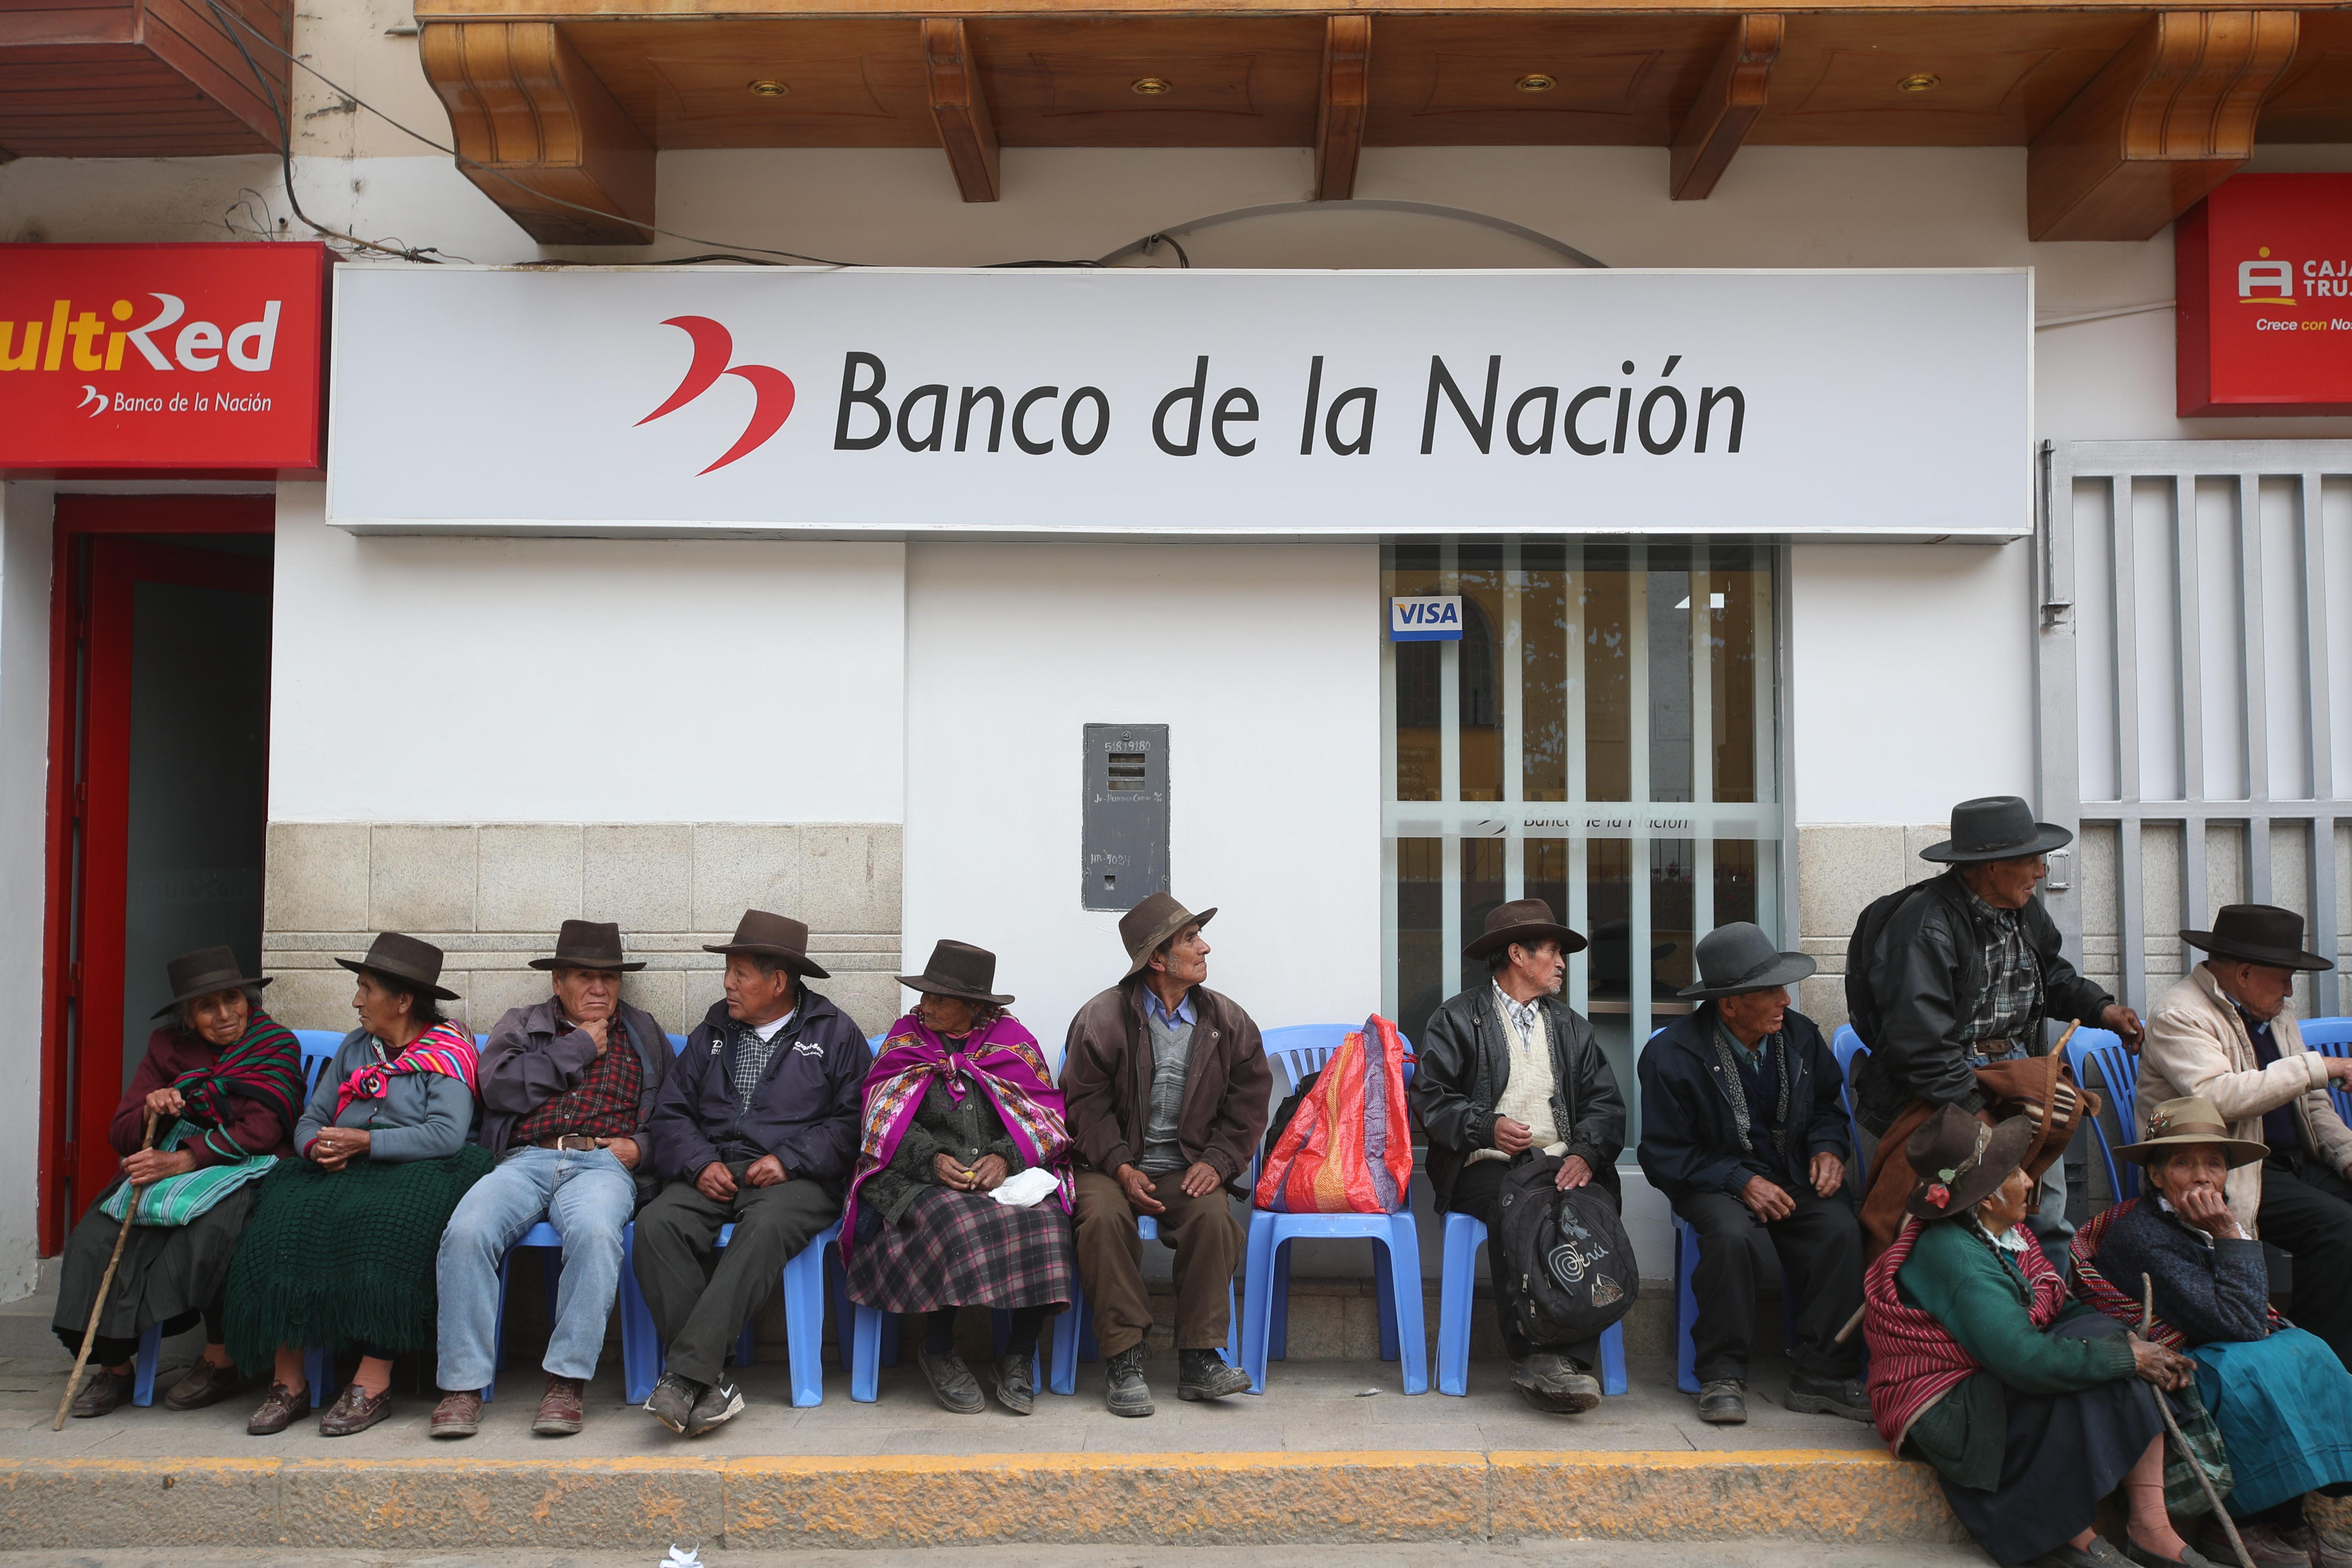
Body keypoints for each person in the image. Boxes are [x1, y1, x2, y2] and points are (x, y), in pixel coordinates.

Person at [1865, 1105, 2205, 1568]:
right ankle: (2062, 1529)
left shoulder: (2005, 1234)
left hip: (1993, 1365)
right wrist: (2124, 1358)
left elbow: (2062, 1306)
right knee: (2092, 1376)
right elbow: (2021, 1359)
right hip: (1945, 1406)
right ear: (1985, 1198)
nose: (2029, 1181)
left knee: (2106, 1340)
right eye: (2015, 1173)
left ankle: (2151, 1526)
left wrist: (2128, 1342)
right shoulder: (1958, 1259)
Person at [1849, 795, 2144, 1255]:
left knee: (2043, 1203)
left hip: (2011, 1074)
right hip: (1941, 1087)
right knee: (1952, 1220)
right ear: (1989, 867)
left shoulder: (2022, 910)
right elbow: (1921, 1045)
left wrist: (2101, 1009)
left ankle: (2046, 1308)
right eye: (2030, 861)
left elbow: (2051, 974)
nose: (2041, 872)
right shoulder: (1924, 926)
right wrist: (1979, 1116)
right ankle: (1942, 1320)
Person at [224, 932, 489, 1437]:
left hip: (420, 1165)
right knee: (283, 1218)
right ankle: (289, 1382)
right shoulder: (355, 1046)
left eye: (367, 989)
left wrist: (364, 1143)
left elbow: (446, 1134)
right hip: (344, 1162)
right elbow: (313, 1118)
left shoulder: (447, 1050)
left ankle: (373, 1381)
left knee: (387, 1227)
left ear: (404, 1000)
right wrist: (314, 1148)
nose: (357, 1000)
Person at [2075, 1096, 2352, 1568]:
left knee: (2309, 1349)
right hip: (2177, 1371)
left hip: (2216, 1342)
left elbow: (2248, 1315)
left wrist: (2227, 1234)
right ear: (2156, 1175)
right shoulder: (2146, 1235)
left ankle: (2292, 1521)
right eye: (2183, 1163)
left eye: (2215, 1164)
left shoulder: (2204, 1222)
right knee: (2252, 1368)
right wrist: (2228, 1233)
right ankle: (2246, 1524)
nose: (2202, 1176)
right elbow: (2240, 1325)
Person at [430, 921, 673, 1439]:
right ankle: (462, 1385)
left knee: (596, 1233)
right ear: (558, 980)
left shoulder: (643, 1030)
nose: (600, 989)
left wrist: (643, 1147)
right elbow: (498, 1090)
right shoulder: (521, 1024)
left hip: (603, 1164)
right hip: (524, 1158)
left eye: (609, 978)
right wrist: (579, 1048)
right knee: (467, 1230)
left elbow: (676, 1110)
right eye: (586, 976)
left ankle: (565, 1380)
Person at [634, 909, 868, 1438]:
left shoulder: (833, 1033)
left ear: (778, 981)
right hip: (715, 1169)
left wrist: (792, 1157)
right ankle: (711, 1379)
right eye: (729, 972)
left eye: (740, 973)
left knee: (761, 1229)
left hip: (797, 1180)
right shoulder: (714, 1029)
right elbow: (671, 1112)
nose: (727, 984)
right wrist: (698, 1162)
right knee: (656, 1224)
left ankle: (685, 1374)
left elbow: (856, 1120)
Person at [51, 947, 305, 1418]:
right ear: (189, 1017)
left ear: (250, 1000)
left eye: (233, 999)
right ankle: (115, 1365)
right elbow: (121, 1131)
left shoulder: (275, 1044)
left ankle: (219, 1358)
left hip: (244, 1165)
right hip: (170, 1164)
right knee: (93, 1238)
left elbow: (264, 1130)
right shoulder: (166, 1047)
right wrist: (152, 1107)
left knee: (211, 1232)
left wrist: (185, 1160)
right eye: (207, 1006)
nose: (225, 1014)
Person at [1637, 921, 1867, 1425]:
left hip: (1788, 1170)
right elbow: (1663, 1151)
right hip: (1710, 1179)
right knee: (1729, 1234)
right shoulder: (1671, 1055)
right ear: (1729, 1004)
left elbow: (1829, 1105)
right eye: (1769, 990)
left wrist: (1829, 1149)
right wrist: (1737, 1178)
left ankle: (1823, 1373)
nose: (1785, 999)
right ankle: (1721, 1374)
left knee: (1839, 1227)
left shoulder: (1799, 1036)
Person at [842, 940, 1076, 1416]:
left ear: (975, 1008)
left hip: (1000, 1175)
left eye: (939, 999)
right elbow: (878, 1122)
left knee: (1049, 1222)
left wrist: (1005, 1158)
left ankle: (1019, 1353)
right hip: (920, 1178)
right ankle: (938, 1346)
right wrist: (933, 1160)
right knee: (954, 1220)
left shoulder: (1012, 1043)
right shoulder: (905, 1042)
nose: (924, 1006)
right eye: (924, 996)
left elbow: (1044, 1119)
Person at [1411, 897, 1627, 1415]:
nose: (1561, 962)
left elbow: (1606, 1105)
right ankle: (1537, 1354)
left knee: (1586, 1207)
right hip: (1482, 1163)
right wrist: (1485, 1124)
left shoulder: (1571, 1027)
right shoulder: (1459, 1018)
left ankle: (1563, 1359)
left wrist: (1584, 1151)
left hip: (1557, 1159)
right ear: (1516, 954)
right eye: (1551, 951)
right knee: (1523, 1205)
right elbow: (1430, 1098)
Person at [1061, 891, 1265, 1416]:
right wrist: (1120, 1166)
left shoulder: (1227, 1020)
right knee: (1102, 1218)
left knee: (1213, 1215)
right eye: (1190, 939)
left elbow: (1247, 1105)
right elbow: (1084, 1106)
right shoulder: (1102, 1017)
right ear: (1157, 958)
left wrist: (1216, 1162)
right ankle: (1124, 1357)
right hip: (1108, 1164)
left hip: (1184, 1165)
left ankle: (1200, 1358)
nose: (1205, 948)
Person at [2137, 903, 2352, 1376]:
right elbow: (2219, 1097)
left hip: (2288, 1165)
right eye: (2284, 978)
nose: (2291, 990)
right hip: (2227, 1171)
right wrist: (2320, 1066)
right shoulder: (2180, 1014)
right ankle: (2320, 1368)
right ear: (2247, 972)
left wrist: (2347, 1156)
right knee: (2338, 1228)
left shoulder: (2275, 1013)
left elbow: (2313, 1106)